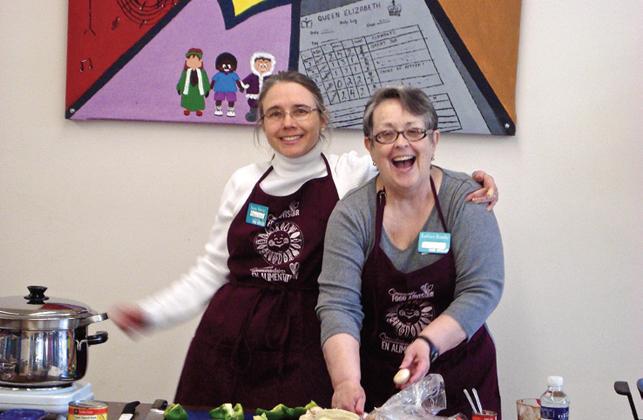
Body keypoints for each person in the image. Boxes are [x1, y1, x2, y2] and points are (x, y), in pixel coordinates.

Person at [110, 72, 499, 410]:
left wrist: (479, 183)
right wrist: (153, 312)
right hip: (231, 340)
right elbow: (212, 271)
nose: (288, 123)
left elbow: (411, 159)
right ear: (261, 123)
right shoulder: (244, 181)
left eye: (300, 110)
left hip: (306, 345)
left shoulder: (350, 173)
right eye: (275, 113)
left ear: (322, 118)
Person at [316, 86, 503, 418]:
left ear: (434, 140)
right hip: (381, 385)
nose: (401, 143)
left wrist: (428, 343)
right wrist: (346, 380)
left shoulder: (467, 202)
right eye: (386, 134)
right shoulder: (351, 215)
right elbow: (338, 303)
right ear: (370, 148)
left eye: (414, 131)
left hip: (460, 378)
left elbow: (482, 289)